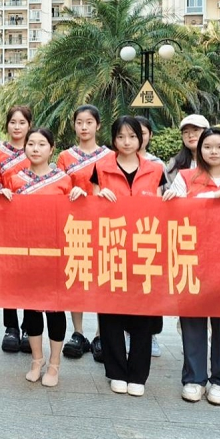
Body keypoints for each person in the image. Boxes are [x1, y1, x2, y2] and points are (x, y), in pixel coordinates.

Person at [163, 127, 220, 406]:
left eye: (219, 146)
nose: (213, 151)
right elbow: (175, 212)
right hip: (191, 260)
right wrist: (209, 197)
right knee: (192, 322)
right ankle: (194, 379)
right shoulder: (185, 178)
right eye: (208, 146)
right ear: (199, 150)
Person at [0, 127, 86, 386]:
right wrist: (2, 197)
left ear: (52, 148)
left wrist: (79, 196)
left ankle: (54, 364)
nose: (35, 149)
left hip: (55, 256)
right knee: (31, 310)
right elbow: (4, 215)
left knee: (55, 310)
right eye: (31, 144)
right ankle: (37, 360)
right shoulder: (14, 179)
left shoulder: (64, 180)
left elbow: (76, 215)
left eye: (41, 144)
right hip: (26, 255)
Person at [91, 116, 166, 397]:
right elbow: (91, 206)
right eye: (121, 137)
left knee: (142, 313)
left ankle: (138, 374)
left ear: (142, 138)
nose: (126, 142)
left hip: (144, 248)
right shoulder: (101, 167)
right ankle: (116, 371)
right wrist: (99, 198)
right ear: (113, 139)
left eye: (132, 136)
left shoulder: (155, 169)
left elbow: (163, 207)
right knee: (111, 311)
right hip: (111, 246)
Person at [55, 105, 111, 361]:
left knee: (101, 278)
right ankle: (78, 332)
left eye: (89, 122)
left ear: (98, 125)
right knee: (76, 276)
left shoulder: (110, 156)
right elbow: (58, 187)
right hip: (74, 225)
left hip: (103, 225)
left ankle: (100, 334)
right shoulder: (65, 157)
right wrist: (71, 194)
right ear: (74, 125)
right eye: (80, 122)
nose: (84, 127)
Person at [0, 106, 32, 354]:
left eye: (22, 122)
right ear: (7, 125)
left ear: (29, 125)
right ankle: (11, 327)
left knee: (29, 274)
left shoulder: (35, 148)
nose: (17, 127)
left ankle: (29, 327)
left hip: (32, 222)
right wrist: (0, 191)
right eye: (13, 122)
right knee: (9, 273)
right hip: (5, 218)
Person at [137, 115, 168, 358]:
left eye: (141, 133)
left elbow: (166, 198)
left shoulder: (157, 165)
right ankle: (128, 333)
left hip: (150, 233)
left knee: (150, 286)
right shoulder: (112, 163)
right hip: (122, 234)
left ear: (149, 136)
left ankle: (151, 334)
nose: (135, 138)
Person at [166, 114, 210, 186]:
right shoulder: (175, 164)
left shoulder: (216, 161)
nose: (190, 135)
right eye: (186, 132)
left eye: (196, 130)